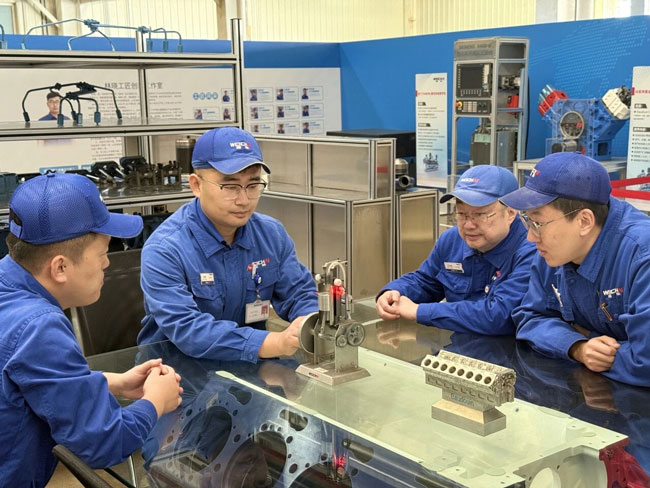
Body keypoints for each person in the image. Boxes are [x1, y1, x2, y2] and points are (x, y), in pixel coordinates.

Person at [0, 173, 183, 487]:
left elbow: (27, 379)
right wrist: (156, 401)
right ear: (60, 267)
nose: (107, 264)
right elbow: (103, 443)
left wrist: (112, 382)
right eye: (102, 253)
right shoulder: (39, 327)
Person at [138, 127, 318, 361]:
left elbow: (299, 293)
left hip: (250, 365)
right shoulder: (165, 249)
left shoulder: (271, 234)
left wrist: (310, 321)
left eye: (253, 185)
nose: (244, 200)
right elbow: (189, 330)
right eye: (230, 187)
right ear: (196, 185)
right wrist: (273, 343)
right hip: (176, 370)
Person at [501, 152, 650, 387]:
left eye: (537, 223)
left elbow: (645, 362)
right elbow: (530, 317)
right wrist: (577, 346)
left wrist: (589, 336)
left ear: (584, 221)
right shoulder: (554, 249)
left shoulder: (641, 255)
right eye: (526, 220)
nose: (530, 237)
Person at [376, 165, 535, 335]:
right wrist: (394, 292)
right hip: (456, 346)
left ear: (510, 213)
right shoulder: (452, 240)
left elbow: (499, 315)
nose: (468, 225)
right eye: (461, 214)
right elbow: (426, 281)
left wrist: (418, 311)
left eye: (480, 215)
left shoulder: (533, 250)